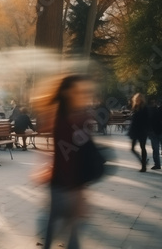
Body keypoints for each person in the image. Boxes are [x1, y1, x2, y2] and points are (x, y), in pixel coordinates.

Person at [42, 74, 103, 249]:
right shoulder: (67, 119)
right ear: (68, 93)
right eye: (79, 91)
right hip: (65, 185)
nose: (84, 95)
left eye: (86, 92)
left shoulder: (75, 117)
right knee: (62, 229)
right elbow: (67, 157)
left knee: (60, 228)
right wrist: (78, 192)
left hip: (65, 184)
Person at [146, 97, 162, 170]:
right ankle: (157, 164)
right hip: (153, 132)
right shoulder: (149, 110)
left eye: (154, 102)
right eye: (152, 102)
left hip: (159, 130)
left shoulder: (160, 109)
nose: (153, 104)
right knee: (155, 149)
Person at [129, 93, 149, 172]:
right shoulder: (135, 107)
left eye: (138, 99)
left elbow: (146, 120)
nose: (137, 100)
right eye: (136, 99)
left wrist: (146, 129)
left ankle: (143, 166)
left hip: (142, 130)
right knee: (132, 148)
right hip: (135, 130)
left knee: (142, 147)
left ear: (141, 100)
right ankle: (143, 161)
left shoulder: (144, 108)